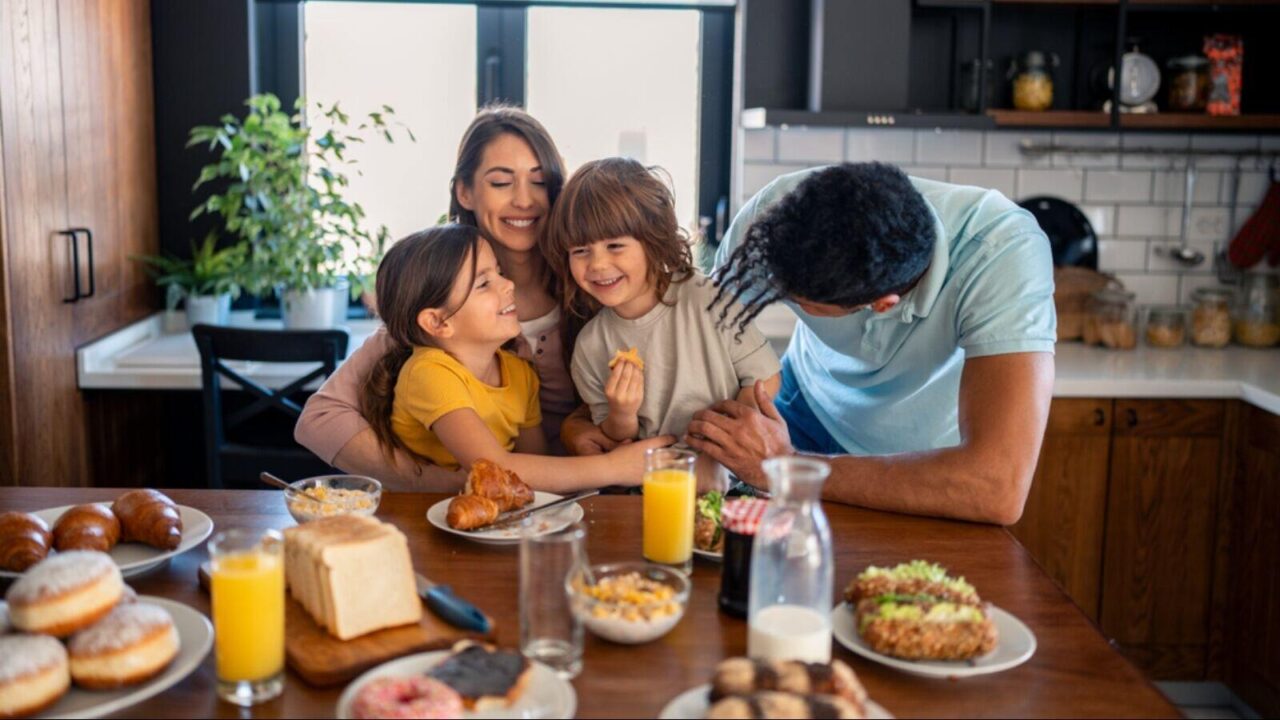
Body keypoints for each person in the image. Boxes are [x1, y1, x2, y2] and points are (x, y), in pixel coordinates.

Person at [684, 163, 1055, 525]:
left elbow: (996, 488)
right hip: (798, 416)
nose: (783, 296)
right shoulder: (781, 214)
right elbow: (706, 336)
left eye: (801, 301)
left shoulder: (1003, 253)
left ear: (881, 306)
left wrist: (786, 468)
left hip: (925, 463)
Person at [295, 106, 624, 489]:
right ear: (464, 192)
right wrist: (444, 482)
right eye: (501, 183)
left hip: (576, 502)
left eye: (539, 182)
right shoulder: (440, 297)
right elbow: (319, 420)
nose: (525, 200)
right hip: (486, 503)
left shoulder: (594, 282)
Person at [362, 223, 668, 490]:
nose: (508, 285)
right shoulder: (428, 373)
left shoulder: (520, 374)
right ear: (438, 322)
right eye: (484, 284)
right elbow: (493, 467)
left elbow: (536, 468)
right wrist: (616, 468)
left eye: (499, 272)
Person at [542, 158, 781, 461]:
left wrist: (727, 435)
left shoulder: (708, 298)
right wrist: (622, 412)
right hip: (649, 483)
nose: (598, 264)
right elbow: (617, 437)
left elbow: (766, 377)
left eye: (615, 246)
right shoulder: (591, 345)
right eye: (580, 251)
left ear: (653, 239)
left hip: (728, 476)